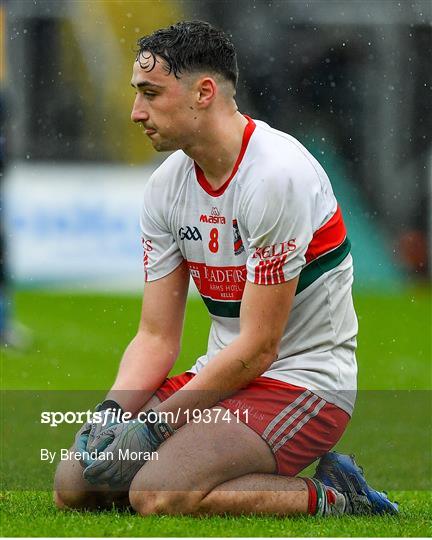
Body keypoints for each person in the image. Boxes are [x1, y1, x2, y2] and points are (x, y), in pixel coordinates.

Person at [54, 20, 398, 517]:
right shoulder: (165, 187)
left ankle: (340, 498)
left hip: (301, 383)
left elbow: (260, 347)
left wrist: (154, 427)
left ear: (204, 92)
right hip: (221, 378)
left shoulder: (276, 176)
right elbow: (155, 336)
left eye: (150, 94)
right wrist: (110, 413)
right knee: (76, 485)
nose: (136, 112)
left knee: (156, 493)